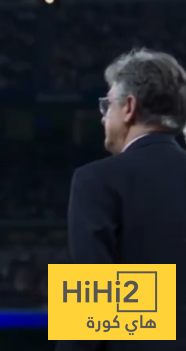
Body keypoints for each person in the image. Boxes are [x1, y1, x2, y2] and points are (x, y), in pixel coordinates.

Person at [57, 48, 186, 351]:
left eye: (107, 104)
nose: (103, 116)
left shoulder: (97, 180)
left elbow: (92, 307)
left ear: (129, 107)